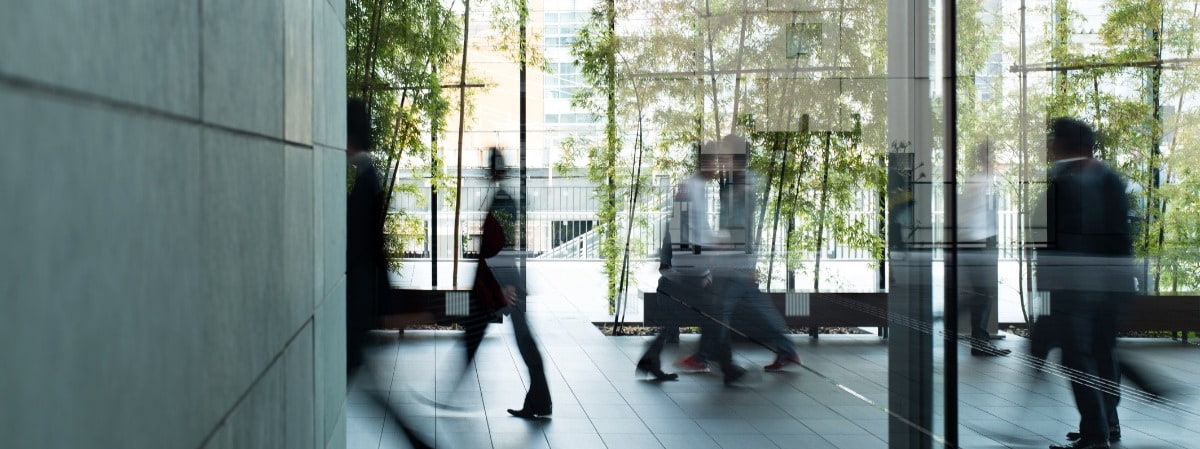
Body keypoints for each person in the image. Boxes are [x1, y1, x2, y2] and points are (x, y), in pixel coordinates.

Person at [1037, 117, 1134, 449]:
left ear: (1066, 144)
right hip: (1106, 287)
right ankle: (1107, 423)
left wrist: (1048, 291)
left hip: (1076, 290)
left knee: (1079, 359)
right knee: (1103, 355)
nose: (1049, 146)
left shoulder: (1065, 181)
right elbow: (1122, 237)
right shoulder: (1109, 179)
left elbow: (1052, 243)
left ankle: (1096, 434)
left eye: (1053, 139)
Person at [344, 98, 432, 449]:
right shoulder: (368, 176)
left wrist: (381, 304)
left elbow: (367, 248)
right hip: (363, 302)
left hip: (359, 303)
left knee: (366, 389)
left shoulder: (366, 181)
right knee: (373, 393)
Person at [460, 147, 553, 419]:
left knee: (523, 338)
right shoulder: (504, 197)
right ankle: (540, 400)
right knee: (520, 338)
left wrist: (506, 284)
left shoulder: (502, 200)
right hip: (503, 280)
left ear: (493, 170)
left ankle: (541, 400)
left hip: (505, 282)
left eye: (489, 168)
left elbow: (503, 244)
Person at [957, 141, 1010, 356]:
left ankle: (979, 341)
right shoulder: (978, 181)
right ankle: (978, 341)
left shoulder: (984, 180)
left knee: (982, 293)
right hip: (974, 243)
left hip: (978, 243)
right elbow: (966, 214)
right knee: (983, 293)